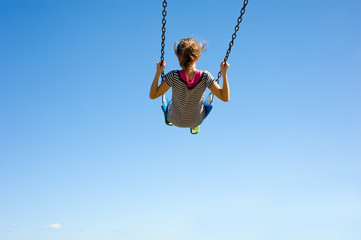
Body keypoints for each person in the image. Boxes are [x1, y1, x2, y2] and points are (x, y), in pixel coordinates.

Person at [149, 38, 230, 134]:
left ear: (178, 57)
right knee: (206, 102)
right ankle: (194, 126)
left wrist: (158, 73)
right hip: (196, 120)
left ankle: (168, 119)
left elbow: (153, 95)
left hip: (174, 119)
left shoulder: (173, 76)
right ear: (198, 57)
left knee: (167, 101)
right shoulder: (205, 76)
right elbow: (225, 98)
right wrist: (224, 74)